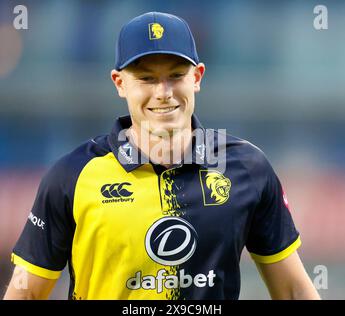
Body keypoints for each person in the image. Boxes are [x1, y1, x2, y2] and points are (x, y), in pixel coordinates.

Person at [4, 11, 320, 300]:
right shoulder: (72, 176)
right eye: (146, 78)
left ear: (197, 77)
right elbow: (26, 293)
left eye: (175, 75)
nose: (163, 92)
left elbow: (293, 291)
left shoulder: (248, 169)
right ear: (119, 83)